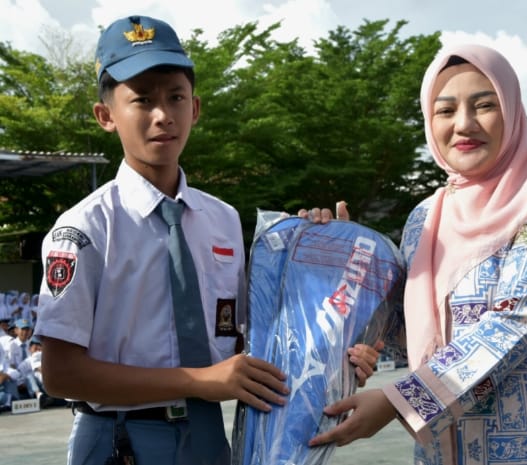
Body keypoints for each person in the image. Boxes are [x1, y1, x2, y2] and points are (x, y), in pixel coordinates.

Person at [32, 15, 378, 465]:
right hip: (120, 440)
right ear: (106, 116)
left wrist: (330, 320)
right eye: (142, 100)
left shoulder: (222, 219)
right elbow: (60, 374)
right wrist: (197, 381)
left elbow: (242, 344)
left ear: (194, 108)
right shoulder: (85, 228)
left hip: (208, 436)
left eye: (175, 97)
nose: (162, 115)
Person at [310, 44, 527, 464]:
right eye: (445, 110)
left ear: (511, 111)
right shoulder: (425, 219)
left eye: (484, 105)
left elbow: (517, 321)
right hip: (446, 448)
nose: (464, 124)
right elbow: (407, 335)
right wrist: (344, 257)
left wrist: (398, 402)